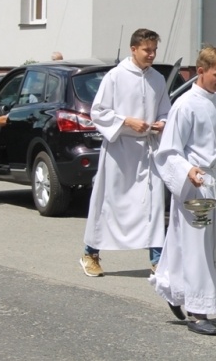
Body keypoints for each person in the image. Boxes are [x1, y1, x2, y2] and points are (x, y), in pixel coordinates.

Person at [150, 46, 216, 336]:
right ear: (200, 71)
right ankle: (198, 313)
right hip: (195, 183)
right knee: (198, 247)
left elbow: (212, 139)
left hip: (215, 179)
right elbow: (169, 150)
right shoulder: (185, 104)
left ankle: (173, 288)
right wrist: (188, 170)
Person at [80, 28, 171, 277]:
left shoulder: (157, 79)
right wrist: (127, 122)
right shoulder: (115, 76)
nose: (151, 55)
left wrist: (162, 122)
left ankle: (157, 258)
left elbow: (165, 110)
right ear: (134, 49)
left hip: (147, 150)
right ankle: (91, 253)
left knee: (152, 205)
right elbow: (98, 112)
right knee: (109, 203)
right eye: (147, 50)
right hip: (120, 150)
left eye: (154, 50)